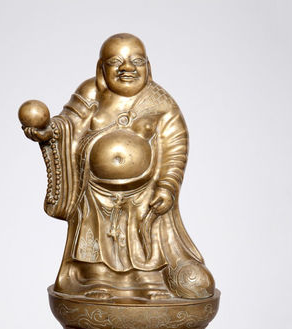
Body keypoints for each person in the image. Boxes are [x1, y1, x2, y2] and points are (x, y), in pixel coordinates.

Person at [23, 33, 215, 300]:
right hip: (94, 191)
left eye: (137, 61)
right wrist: (48, 131)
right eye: (115, 62)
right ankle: (97, 280)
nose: (127, 68)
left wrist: (167, 186)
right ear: (101, 69)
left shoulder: (160, 102)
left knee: (144, 241)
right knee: (94, 241)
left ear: (148, 66)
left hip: (143, 192)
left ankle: (149, 280)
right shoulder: (91, 92)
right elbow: (68, 125)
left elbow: (175, 146)